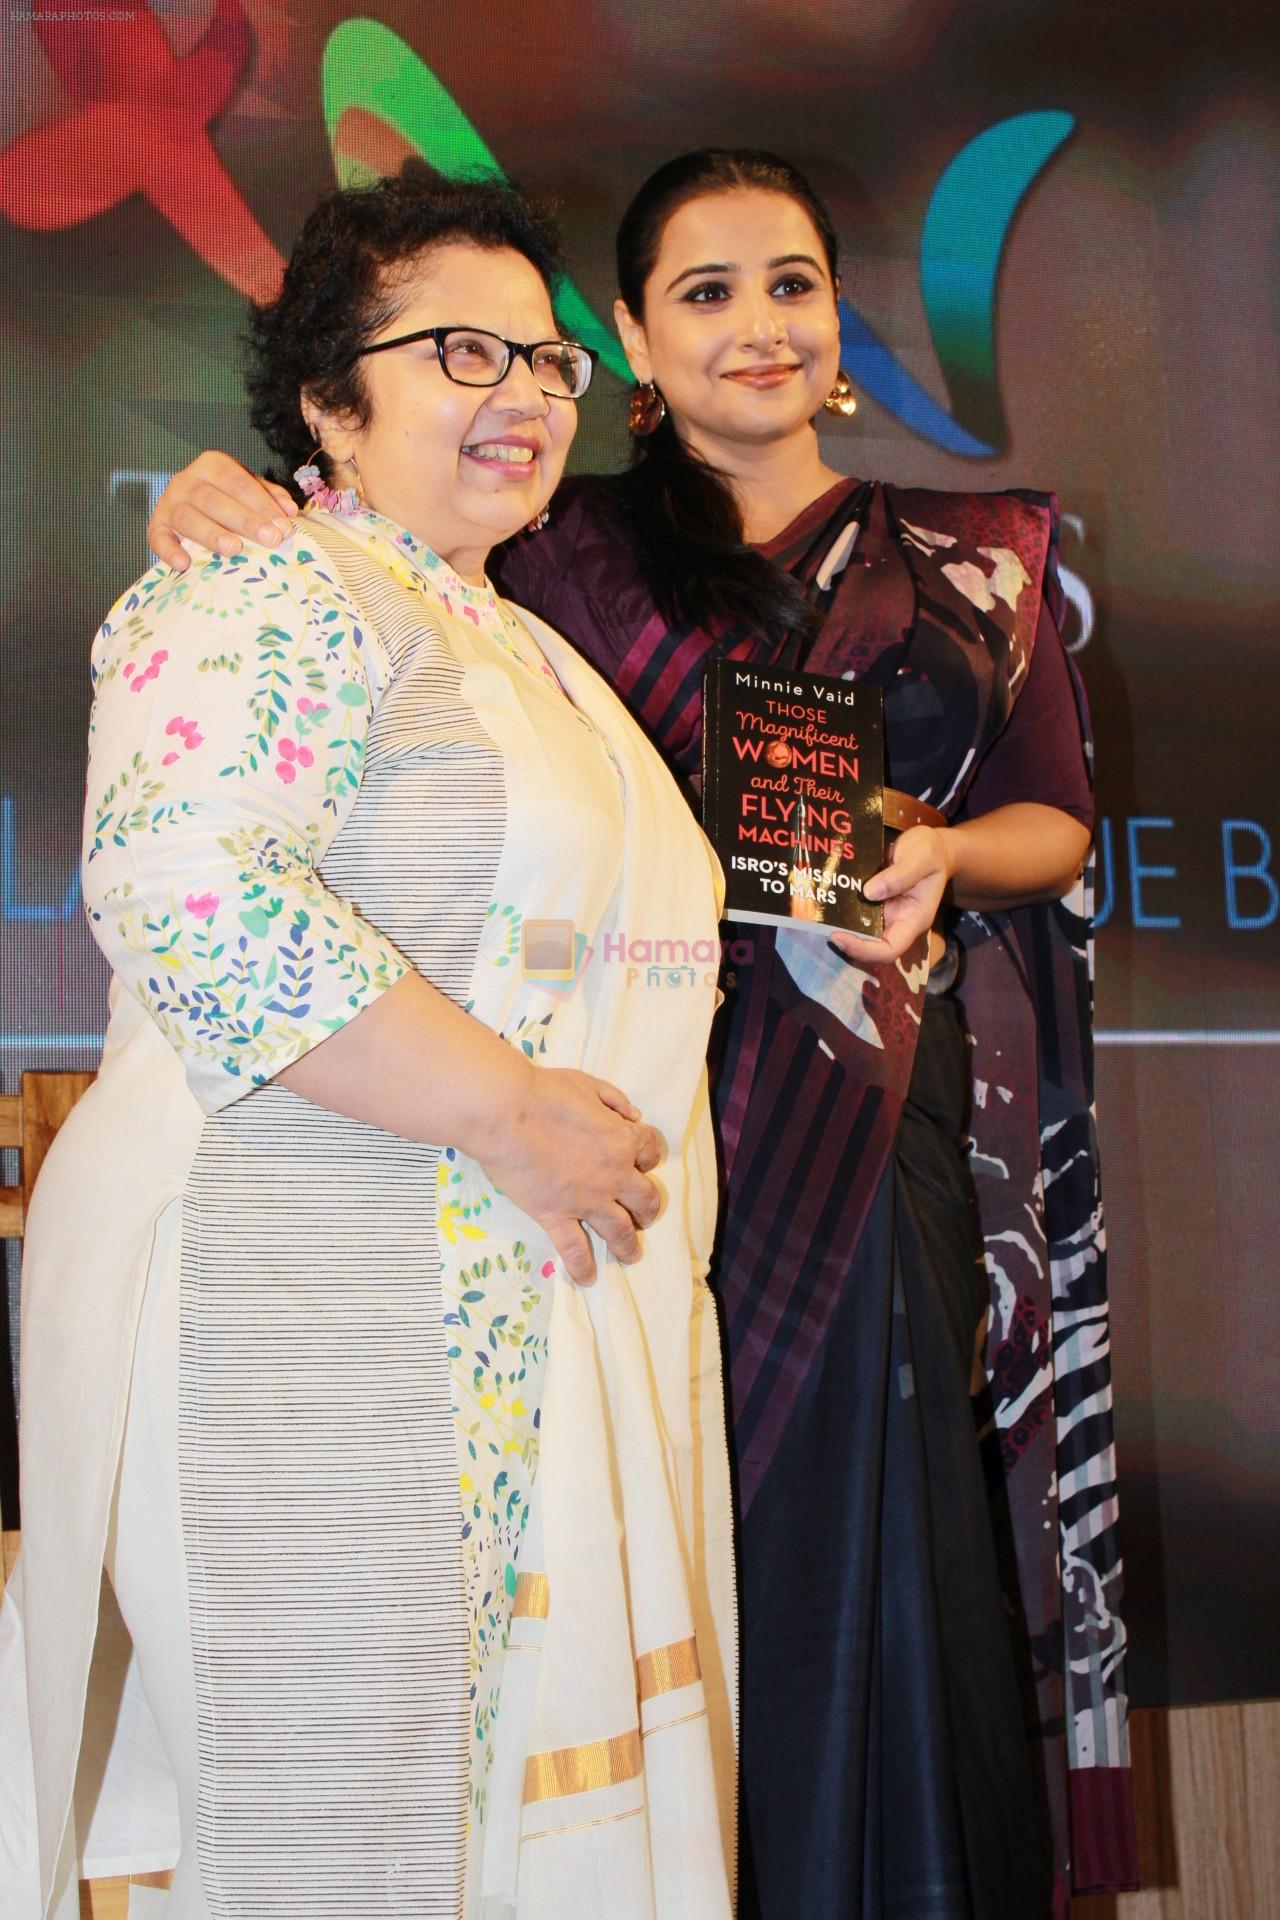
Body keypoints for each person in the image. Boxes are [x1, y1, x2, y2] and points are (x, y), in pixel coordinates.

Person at [143, 150, 1135, 1917]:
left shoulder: (975, 560)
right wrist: (238, 499)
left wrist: (936, 860)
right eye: (702, 291)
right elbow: (331, 605)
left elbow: (1053, 817)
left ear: (840, 318)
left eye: (791, 283)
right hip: (587, 1119)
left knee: (878, 1550)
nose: (756, 324)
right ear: (631, 335)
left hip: (858, 1086)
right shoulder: (544, 545)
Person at [0, 165, 739, 1920]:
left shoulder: (515, 640)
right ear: (332, 398)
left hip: (511, 1329)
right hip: (321, 1339)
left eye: (548, 361)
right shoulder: (263, 584)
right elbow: (187, 888)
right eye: (458, 352)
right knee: (348, 1846)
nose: (523, 395)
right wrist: (507, 1114)